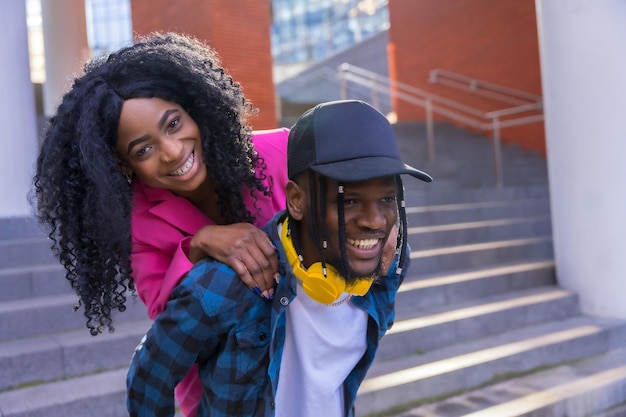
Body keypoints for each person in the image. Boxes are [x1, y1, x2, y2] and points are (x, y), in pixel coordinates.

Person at [31, 32, 289, 417]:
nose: (172, 152)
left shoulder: (280, 154)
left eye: (173, 123)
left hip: (303, 372)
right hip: (218, 395)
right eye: (143, 149)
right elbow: (171, 315)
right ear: (123, 165)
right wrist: (200, 242)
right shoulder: (136, 224)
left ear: (193, 109)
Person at [126, 99, 433, 417]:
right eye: (350, 200)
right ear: (296, 201)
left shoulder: (389, 266)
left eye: (387, 199)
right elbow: (149, 378)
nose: (374, 220)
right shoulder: (223, 286)